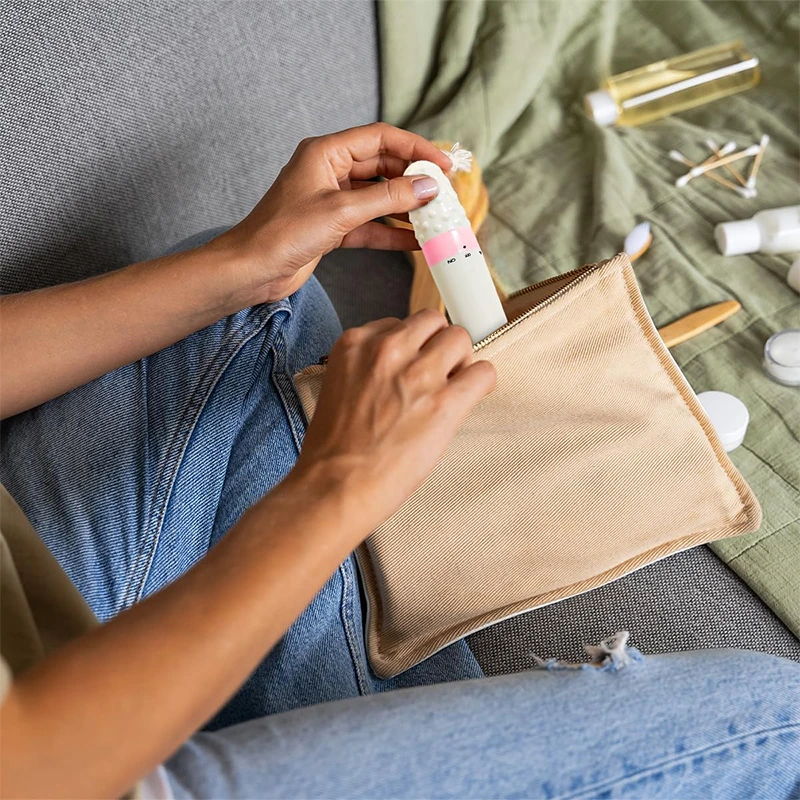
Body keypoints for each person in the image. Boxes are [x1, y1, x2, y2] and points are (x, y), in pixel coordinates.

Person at [0, 123, 797, 800]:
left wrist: (244, 261)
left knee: (255, 298)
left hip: (30, 610)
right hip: (69, 763)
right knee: (778, 721)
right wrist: (336, 486)